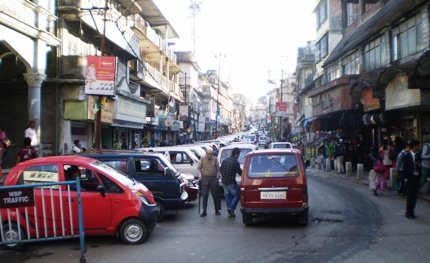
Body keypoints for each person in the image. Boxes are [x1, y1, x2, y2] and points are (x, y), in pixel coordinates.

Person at [197, 148, 221, 217]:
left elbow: (218, 169)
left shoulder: (215, 159)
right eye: (208, 154)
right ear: (206, 154)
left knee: (215, 195)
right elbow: (199, 168)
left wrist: (217, 176)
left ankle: (217, 210)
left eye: (211, 154)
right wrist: (199, 174)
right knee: (205, 196)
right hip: (205, 179)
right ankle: (204, 211)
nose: (209, 155)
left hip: (213, 179)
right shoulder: (202, 159)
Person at [220, 147, 242, 218]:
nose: (238, 156)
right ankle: (231, 208)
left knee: (227, 196)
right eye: (238, 155)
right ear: (236, 154)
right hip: (231, 182)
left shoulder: (225, 160)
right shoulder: (235, 162)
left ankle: (230, 212)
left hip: (224, 181)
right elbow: (240, 172)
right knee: (237, 195)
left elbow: (221, 170)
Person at [402, 139, 421, 219]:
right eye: (418, 146)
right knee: (410, 196)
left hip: (416, 177)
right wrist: (405, 179)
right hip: (409, 178)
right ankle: (408, 212)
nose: (419, 147)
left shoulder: (418, 155)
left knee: (415, 196)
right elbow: (404, 168)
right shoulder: (407, 155)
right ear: (414, 146)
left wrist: (418, 165)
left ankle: (412, 211)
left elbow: (420, 165)